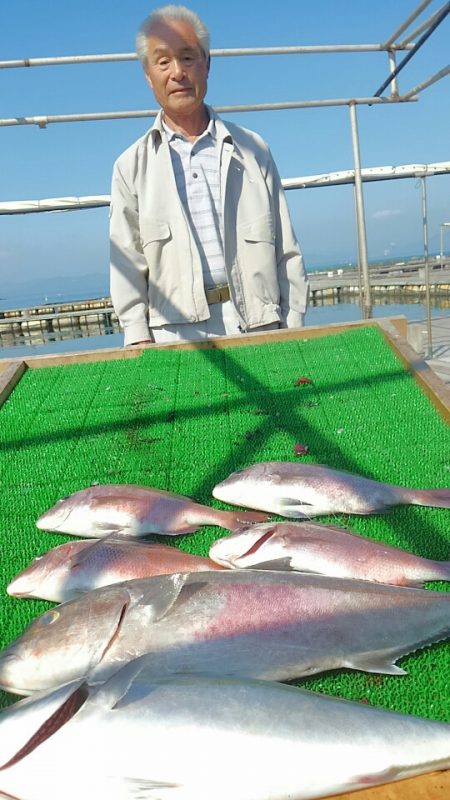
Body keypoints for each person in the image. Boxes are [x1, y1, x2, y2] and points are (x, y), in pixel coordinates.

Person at [110, 4, 309, 346]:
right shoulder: (131, 166)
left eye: (188, 58)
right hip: (176, 335)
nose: (177, 72)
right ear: (148, 75)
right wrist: (138, 339)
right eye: (163, 61)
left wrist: (293, 325)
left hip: (260, 324)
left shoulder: (252, 149)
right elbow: (127, 262)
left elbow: (286, 248)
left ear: (207, 63)